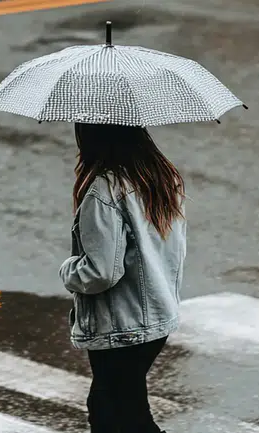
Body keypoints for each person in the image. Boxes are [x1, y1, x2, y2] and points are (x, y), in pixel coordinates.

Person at [58, 122, 187, 433]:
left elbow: (101, 273)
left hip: (121, 325)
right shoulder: (163, 179)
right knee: (115, 409)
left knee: (117, 414)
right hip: (157, 318)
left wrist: (68, 270)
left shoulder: (104, 191)